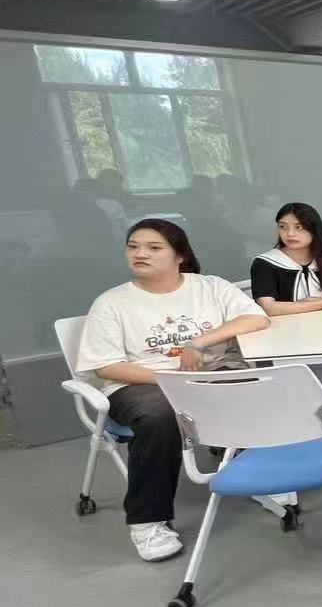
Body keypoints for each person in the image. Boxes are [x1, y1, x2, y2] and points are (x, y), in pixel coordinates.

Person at [75, 220, 269, 561]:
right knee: (158, 417)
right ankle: (148, 521)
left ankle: (264, 478)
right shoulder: (112, 303)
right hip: (141, 383)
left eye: (153, 247)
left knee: (263, 389)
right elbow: (106, 367)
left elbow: (256, 318)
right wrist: (170, 380)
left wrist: (198, 342)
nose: (140, 254)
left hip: (211, 374)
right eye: (133, 246)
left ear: (180, 255)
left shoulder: (210, 287)